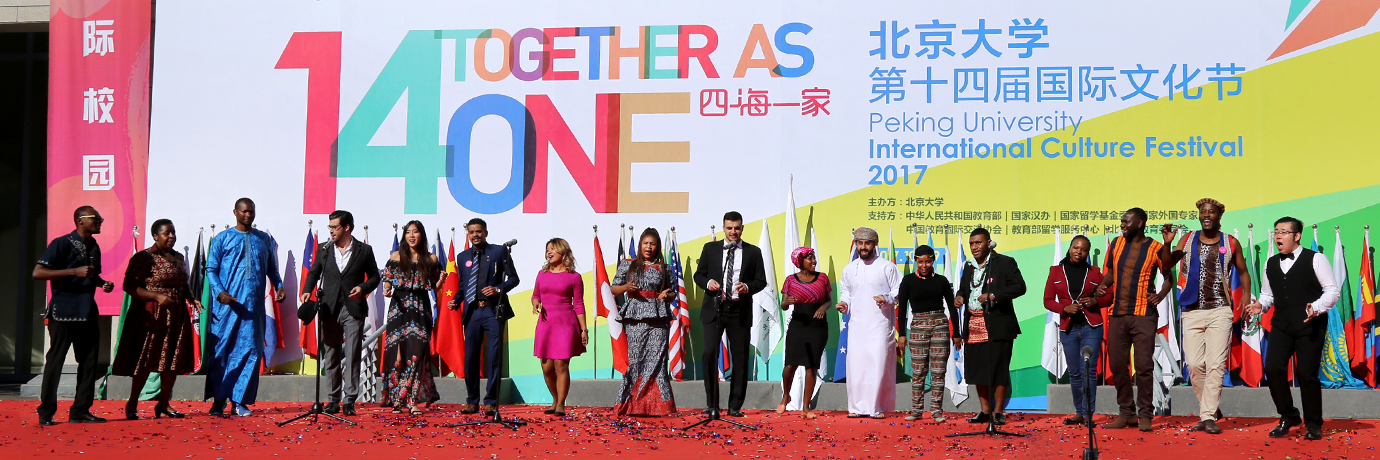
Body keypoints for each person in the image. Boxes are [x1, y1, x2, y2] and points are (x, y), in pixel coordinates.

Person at [1159, 198, 1250, 434]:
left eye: (1211, 212)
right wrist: (1167, 244)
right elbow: (1167, 264)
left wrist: (1246, 295)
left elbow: (1243, 271)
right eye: (1203, 212)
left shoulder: (1230, 242)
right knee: (1194, 364)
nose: (1206, 215)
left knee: (1216, 364)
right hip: (1192, 310)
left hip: (1220, 309)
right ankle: (1209, 407)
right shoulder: (1188, 239)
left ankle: (1207, 416)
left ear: (1219, 216)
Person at [1245, 217, 1339, 440]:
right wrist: (1260, 306)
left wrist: (1316, 307)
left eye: (1284, 232)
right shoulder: (1270, 262)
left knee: (1307, 375)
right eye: (1276, 231)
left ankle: (1313, 423)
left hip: (1310, 325)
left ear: (1297, 236)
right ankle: (1289, 414)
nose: (1278, 236)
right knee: (1273, 368)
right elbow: (1267, 294)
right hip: (1282, 325)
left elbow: (1332, 291)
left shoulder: (1316, 259)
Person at [32, 206, 116, 426]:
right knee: (55, 362)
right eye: (95, 218)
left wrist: (102, 283)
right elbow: (38, 273)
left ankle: (80, 410)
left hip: (87, 313)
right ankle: (46, 411)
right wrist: (73, 271)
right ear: (80, 220)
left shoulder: (94, 246)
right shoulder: (61, 243)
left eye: (100, 218)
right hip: (63, 313)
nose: (100, 221)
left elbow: (90, 274)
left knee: (89, 364)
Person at [204, 198, 285, 417]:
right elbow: (211, 269)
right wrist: (219, 291)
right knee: (222, 352)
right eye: (244, 211)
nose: (248, 215)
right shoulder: (223, 239)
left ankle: (239, 402)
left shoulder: (263, 239)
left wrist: (279, 286)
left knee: (251, 352)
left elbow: (272, 269)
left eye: (251, 211)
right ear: (235, 212)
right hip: (227, 308)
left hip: (253, 309)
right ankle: (219, 400)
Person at [113, 219, 201, 420]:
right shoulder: (144, 257)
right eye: (166, 233)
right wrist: (156, 296)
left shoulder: (178, 257)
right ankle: (132, 403)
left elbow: (183, 283)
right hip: (152, 315)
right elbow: (129, 286)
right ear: (155, 236)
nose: (171, 236)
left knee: (172, 359)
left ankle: (163, 403)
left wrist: (191, 297)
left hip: (177, 315)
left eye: (173, 233)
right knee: (146, 359)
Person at [1095, 208, 1172, 432]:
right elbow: (1112, 273)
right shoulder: (1117, 243)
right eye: (1121, 221)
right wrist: (1103, 285)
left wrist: (1160, 295)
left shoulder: (1156, 248)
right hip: (1117, 313)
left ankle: (1145, 414)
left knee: (1144, 366)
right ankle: (1126, 413)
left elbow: (1169, 276)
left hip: (1143, 314)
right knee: (1118, 365)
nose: (1122, 225)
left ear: (1139, 223)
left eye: (1126, 221)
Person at [301, 210, 381, 417]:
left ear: (347, 227)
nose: (331, 231)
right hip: (329, 307)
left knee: (353, 353)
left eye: (335, 227)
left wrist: (362, 288)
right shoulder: (324, 249)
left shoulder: (364, 250)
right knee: (331, 354)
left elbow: (375, 276)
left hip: (353, 307)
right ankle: (333, 400)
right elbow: (313, 273)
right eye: (329, 227)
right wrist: (307, 290)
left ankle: (349, 401)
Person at [693, 212, 767, 418]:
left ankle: (735, 406)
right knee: (709, 354)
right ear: (723, 228)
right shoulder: (710, 248)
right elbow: (699, 275)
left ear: (742, 228)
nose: (733, 232)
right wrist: (708, 283)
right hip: (714, 309)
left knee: (740, 358)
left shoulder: (753, 252)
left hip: (739, 311)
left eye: (737, 228)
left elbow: (761, 281)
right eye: (729, 228)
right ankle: (712, 405)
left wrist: (747, 287)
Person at [956, 227, 1026, 425]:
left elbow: (1020, 287)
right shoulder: (968, 266)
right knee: (977, 370)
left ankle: (998, 411)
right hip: (973, 324)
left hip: (998, 323)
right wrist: (960, 296)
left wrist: (994, 295)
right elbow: (964, 289)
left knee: (998, 369)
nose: (974, 247)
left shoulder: (1005, 262)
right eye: (971, 243)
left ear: (989, 243)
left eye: (978, 243)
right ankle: (985, 411)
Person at [449, 218, 519, 415]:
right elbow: (463, 287)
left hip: (492, 310)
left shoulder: (498, 251)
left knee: (494, 356)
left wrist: (498, 289)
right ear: (468, 234)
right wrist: (456, 300)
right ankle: (472, 401)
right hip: (472, 312)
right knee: (470, 357)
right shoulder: (462, 257)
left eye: (479, 231)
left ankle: (491, 402)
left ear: (485, 233)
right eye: (472, 232)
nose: (475, 235)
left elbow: (514, 278)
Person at [1043, 235, 1110, 426]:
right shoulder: (1056, 271)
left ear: (1087, 253)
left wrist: (1096, 301)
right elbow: (1047, 300)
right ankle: (1079, 413)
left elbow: (1109, 296)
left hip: (1091, 327)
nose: (1078, 252)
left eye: (1083, 249)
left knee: (1088, 370)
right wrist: (1064, 308)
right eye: (1075, 247)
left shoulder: (1095, 273)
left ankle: (1088, 414)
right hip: (1068, 328)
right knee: (1074, 373)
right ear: (1070, 248)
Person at [836, 227, 902, 419]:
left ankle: (877, 407)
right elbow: (846, 292)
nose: (863, 247)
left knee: (878, 364)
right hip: (857, 325)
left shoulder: (887, 267)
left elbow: (899, 290)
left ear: (875, 244)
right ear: (856, 244)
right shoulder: (849, 269)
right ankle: (856, 408)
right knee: (856, 366)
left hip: (880, 324)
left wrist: (886, 298)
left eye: (867, 243)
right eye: (860, 243)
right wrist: (844, 304)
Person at [612, 228, 678, 416]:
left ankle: (660, 407)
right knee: (636, 361)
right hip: (635, 318)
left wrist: (667, 296)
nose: (649, 247)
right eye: (646, 243)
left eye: (653, 244)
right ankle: (631, 405)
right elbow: (613, 289)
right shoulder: (628, 265)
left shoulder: (665, 268)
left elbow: (673, 293)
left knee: (657, 361)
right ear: (640, 244)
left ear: (657, 247)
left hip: (658, 318)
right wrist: (625, 287)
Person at [380, 221, 443, 415]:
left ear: (422, 235)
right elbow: (388, 279)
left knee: (417, 356)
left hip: (421, 309)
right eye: (408, 232)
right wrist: (387, 289)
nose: (412, 235)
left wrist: (441, 281)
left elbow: (434, 286)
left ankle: (412, 400)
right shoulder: (396, 256)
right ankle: (397, 400)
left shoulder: (431, 258)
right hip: (399, 308)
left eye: (415, 232)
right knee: (397, 357)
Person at [897, 245, 958, 422]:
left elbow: (952, 307)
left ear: (933, 261)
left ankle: (937, 411)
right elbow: (902, 309)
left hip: (940, 326)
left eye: (928, 261)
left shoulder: (942, 281)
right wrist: (902, 334)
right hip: (918, 327)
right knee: (918, 371)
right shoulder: (908, 280)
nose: (924, 265)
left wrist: (957, 333)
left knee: (938, 371)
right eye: (920, 262)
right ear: (916, 261)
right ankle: (916, 410)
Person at [532, 238, 588, 417]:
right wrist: (536, 302)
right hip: (546, 324)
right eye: (547, 249)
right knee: (546, 367)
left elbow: (578, 304)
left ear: (563, 252)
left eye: (553, 249)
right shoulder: (542, 274)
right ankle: (555, 399)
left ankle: (561, 404)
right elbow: (535, 295)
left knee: (561, 364)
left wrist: (584, 329)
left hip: (565, 324)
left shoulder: (574, 277)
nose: (549, 252)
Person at [775, 247, 832, 419]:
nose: (814, 261)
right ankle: (786, 395)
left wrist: (822, 308)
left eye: (814, 258)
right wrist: (787, 302)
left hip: (818, 327)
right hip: (798, 325)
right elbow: (783, 305)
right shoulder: (790, 280)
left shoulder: (823, 278)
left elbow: (829, 301)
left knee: (812, 366)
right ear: (800, 261)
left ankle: (806, 408)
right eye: (810, 258)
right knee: (790, 365)